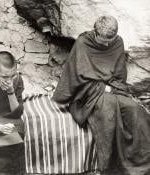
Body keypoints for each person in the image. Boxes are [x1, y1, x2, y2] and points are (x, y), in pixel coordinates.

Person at [52, 16, 150, 175]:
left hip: (113, 88)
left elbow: (119, 74)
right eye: (103, 40)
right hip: (88, 91)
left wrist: (111, 87)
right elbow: (77, 75)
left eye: (110, 41)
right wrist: (101, 88)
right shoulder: (83, 42)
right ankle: (109, 166)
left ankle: (141, 161)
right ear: (95, 31)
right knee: (107, 111)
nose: (107, 44)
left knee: (134, 109)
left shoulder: (117, 42)